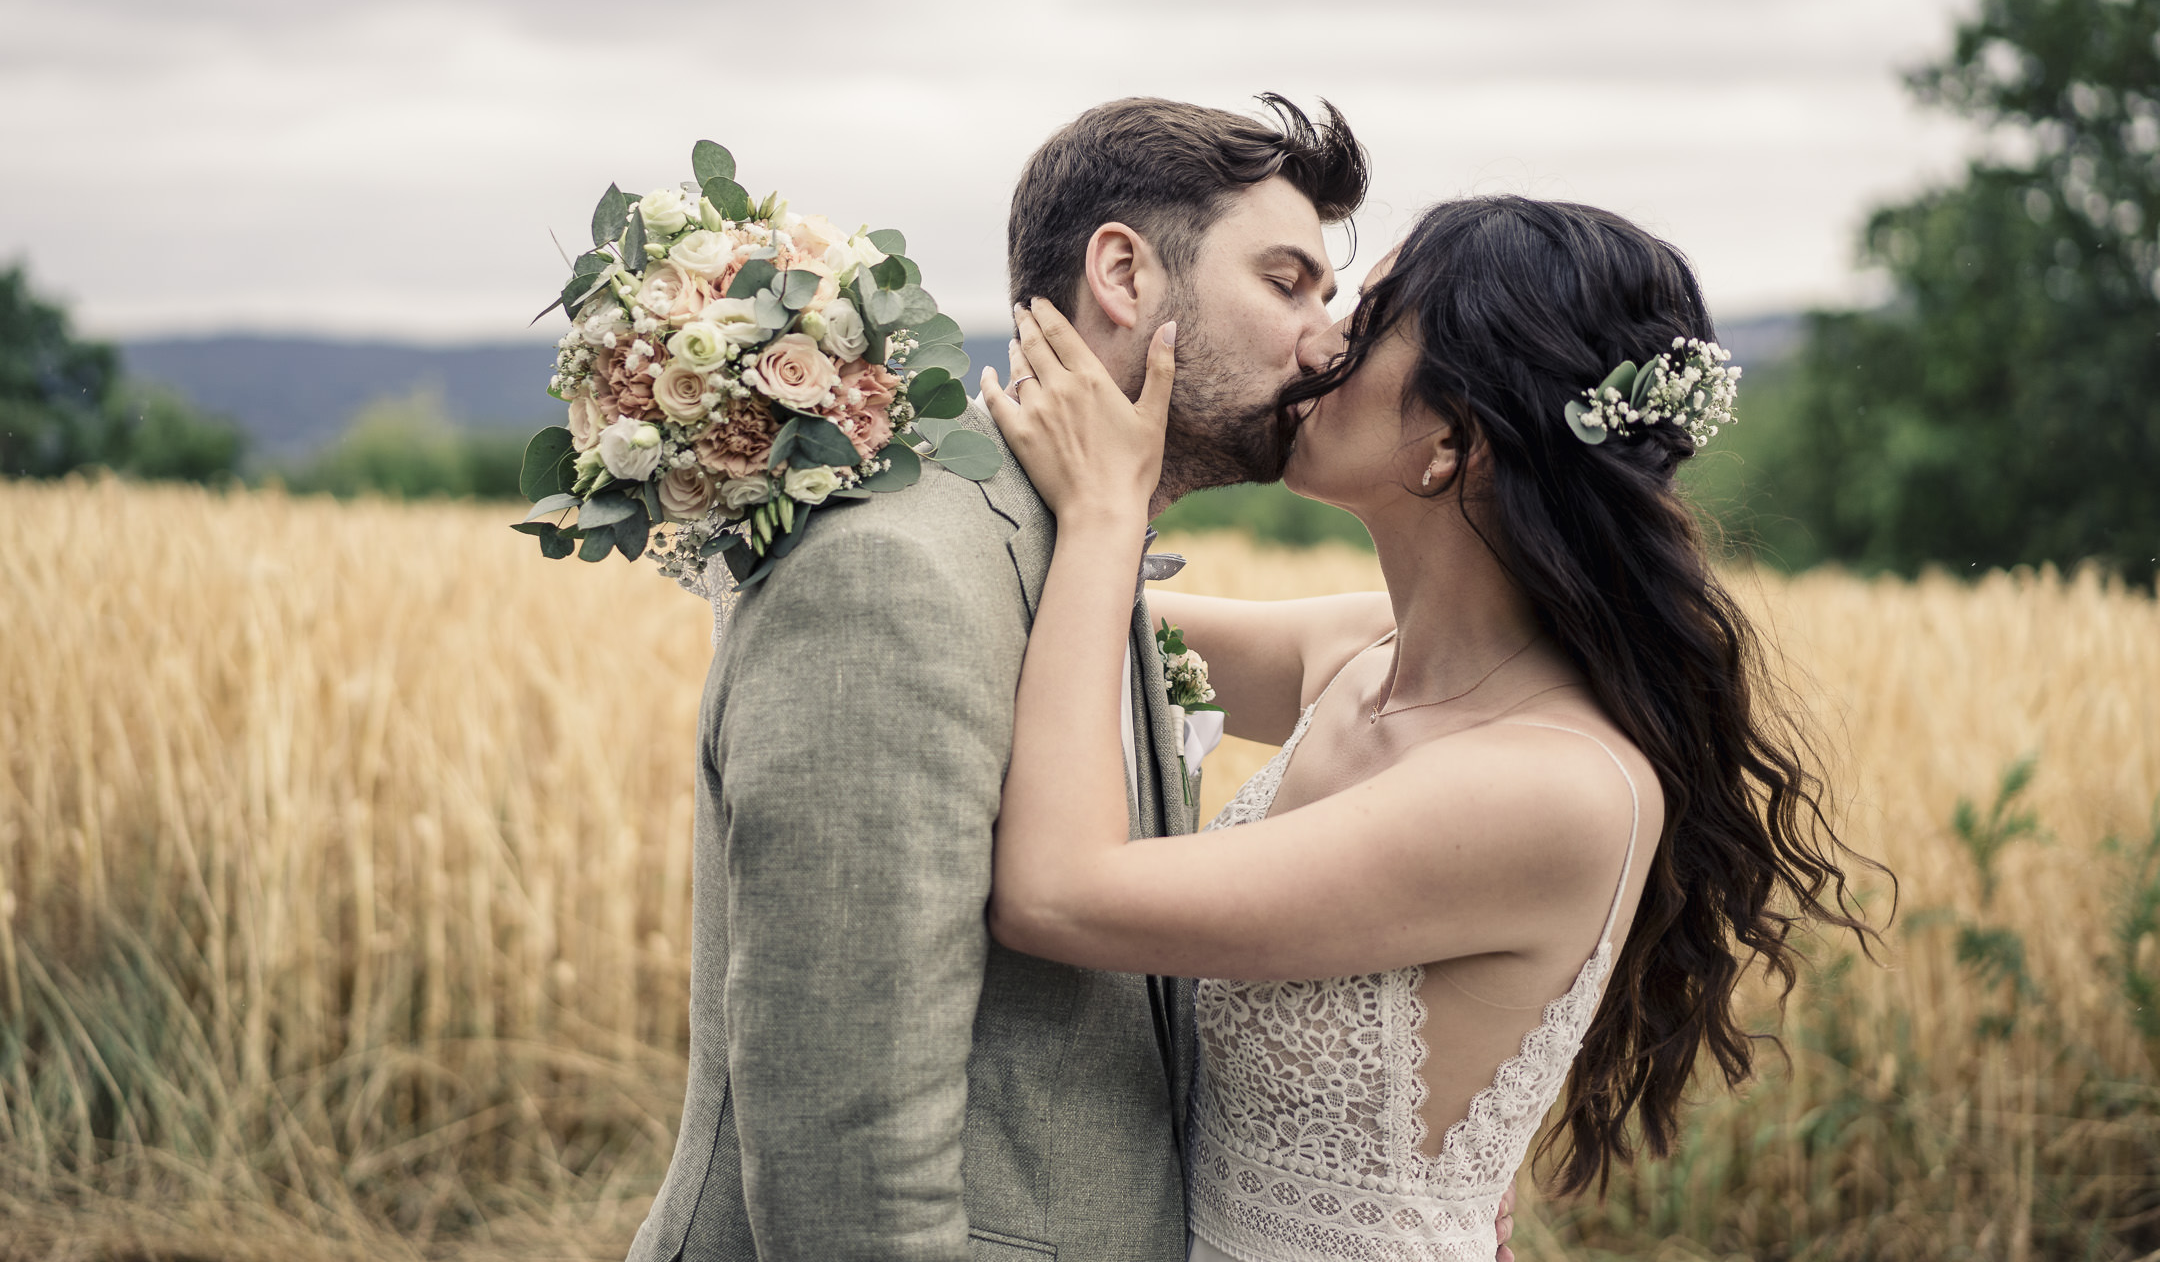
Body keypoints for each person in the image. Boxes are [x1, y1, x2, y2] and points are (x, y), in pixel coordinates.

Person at [981, 197, 1884, 1262]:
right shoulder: (1363, 653)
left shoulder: (1546, 785)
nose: (1319, 344)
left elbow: (1056, 895)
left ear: (1451, 441)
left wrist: (1105, 515)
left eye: (1365, 324)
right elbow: (1050, 620)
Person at [626, 95, 1394, 1262]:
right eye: (1288, 283)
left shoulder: (1079, 553)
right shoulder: (896, 572)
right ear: (1125, 276)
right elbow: (850, 1147)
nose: (1324, 341)